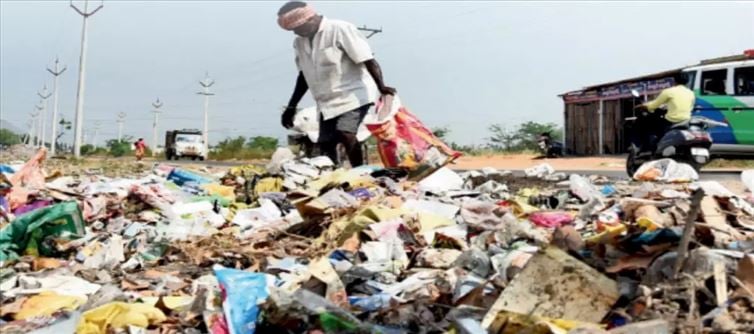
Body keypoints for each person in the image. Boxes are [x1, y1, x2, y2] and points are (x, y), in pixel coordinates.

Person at [277, 1, 395, 167]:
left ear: (310, 19)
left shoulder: (340, 29)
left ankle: (360, 172)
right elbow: (304, 76)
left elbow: (368, 60)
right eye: (293, 30)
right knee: (325, 143)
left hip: (353, 94)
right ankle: (331, 178)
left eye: (298, 28)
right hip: (326, 100)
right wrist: (291, 107)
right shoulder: (299, 42)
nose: (296, 32)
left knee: (345, 132)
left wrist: (381, 86)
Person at [635, 72, 695, 151]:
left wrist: (643, 106)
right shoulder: (691, 93)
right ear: (687, 81)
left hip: (671, 120)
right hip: (686, 120)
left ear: (674, 81)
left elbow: (654, 105)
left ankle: (652, 148)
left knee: (652, 127)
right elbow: (691, 107)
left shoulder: (668, 91)